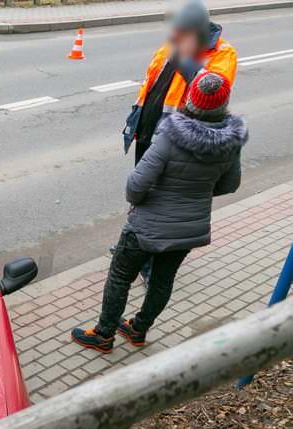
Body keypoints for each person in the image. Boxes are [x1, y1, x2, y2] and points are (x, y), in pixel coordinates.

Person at [72, 72, 247, 353]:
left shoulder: (171, 136)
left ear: (191, 99)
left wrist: (142, 201)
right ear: (224, 103)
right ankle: (138, 329)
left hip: (146, 226)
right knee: (162, 281)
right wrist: (196, 195)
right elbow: (230, 184)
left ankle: (104, 335)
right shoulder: (231, 141)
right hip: (189, 230)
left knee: (120, 276)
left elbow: (136, 184)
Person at [123, 0, 237, 285]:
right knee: (141, 194)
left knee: (159, 203)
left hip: (177, 141)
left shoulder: (222, 54)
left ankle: (150, 264)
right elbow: (151, 84)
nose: (176, 35)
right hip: (148, 134)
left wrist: (186, 59)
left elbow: (211, 89)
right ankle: (134, 245)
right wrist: (136, 117)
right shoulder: (169, 45)